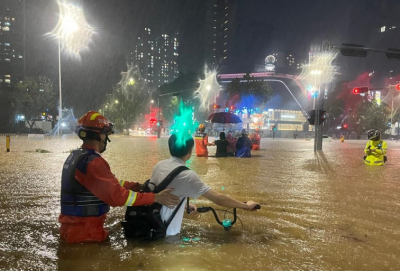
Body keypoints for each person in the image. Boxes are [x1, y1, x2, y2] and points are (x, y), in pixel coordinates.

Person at [59, 111, 180, 243]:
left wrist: (137, 186)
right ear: (99, 135)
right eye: (106, 133)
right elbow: (117, 196)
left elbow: (109, 185)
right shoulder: (93, 163)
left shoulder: (77, 156)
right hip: (86, 234)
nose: (106, 138)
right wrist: (155, 197)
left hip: (73, 229)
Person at [148, 134, 260, 237]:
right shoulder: (187, 175)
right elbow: (218, 198)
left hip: (151, 223)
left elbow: (161, 193)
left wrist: (185, 205)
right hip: (167, 232)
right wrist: (246, 206)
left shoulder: (159, 165)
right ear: (190, 151)